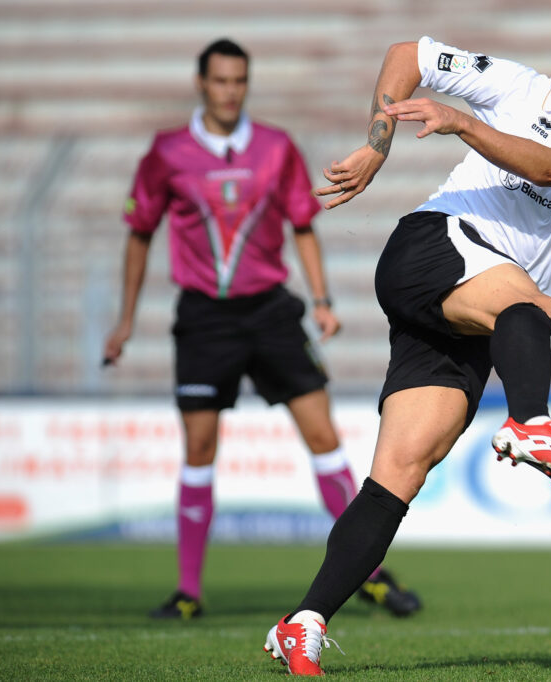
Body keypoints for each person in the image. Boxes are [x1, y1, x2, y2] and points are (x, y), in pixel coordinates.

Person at [262, 22, 551, 675]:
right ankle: (531, 424)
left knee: (399, 475)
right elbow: (406, 56)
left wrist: (463, 124)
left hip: (476, 319)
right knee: (527, 302)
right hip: (432, 249)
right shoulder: (519, 91)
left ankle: (301, 623)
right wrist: (377, 145)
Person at [102, 37, 421, 621]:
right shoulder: (167, 152)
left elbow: (303, 223)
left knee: (323, 438)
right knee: (199, 448)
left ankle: (370, 576)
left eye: (239, 81)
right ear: (202, 84)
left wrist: (321, 300)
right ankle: (189, 592)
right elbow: (139, 233)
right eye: (220, 81)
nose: (230, 91)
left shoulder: (276, 147)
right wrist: (123, 322)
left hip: (272, 313)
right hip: (204, 318)